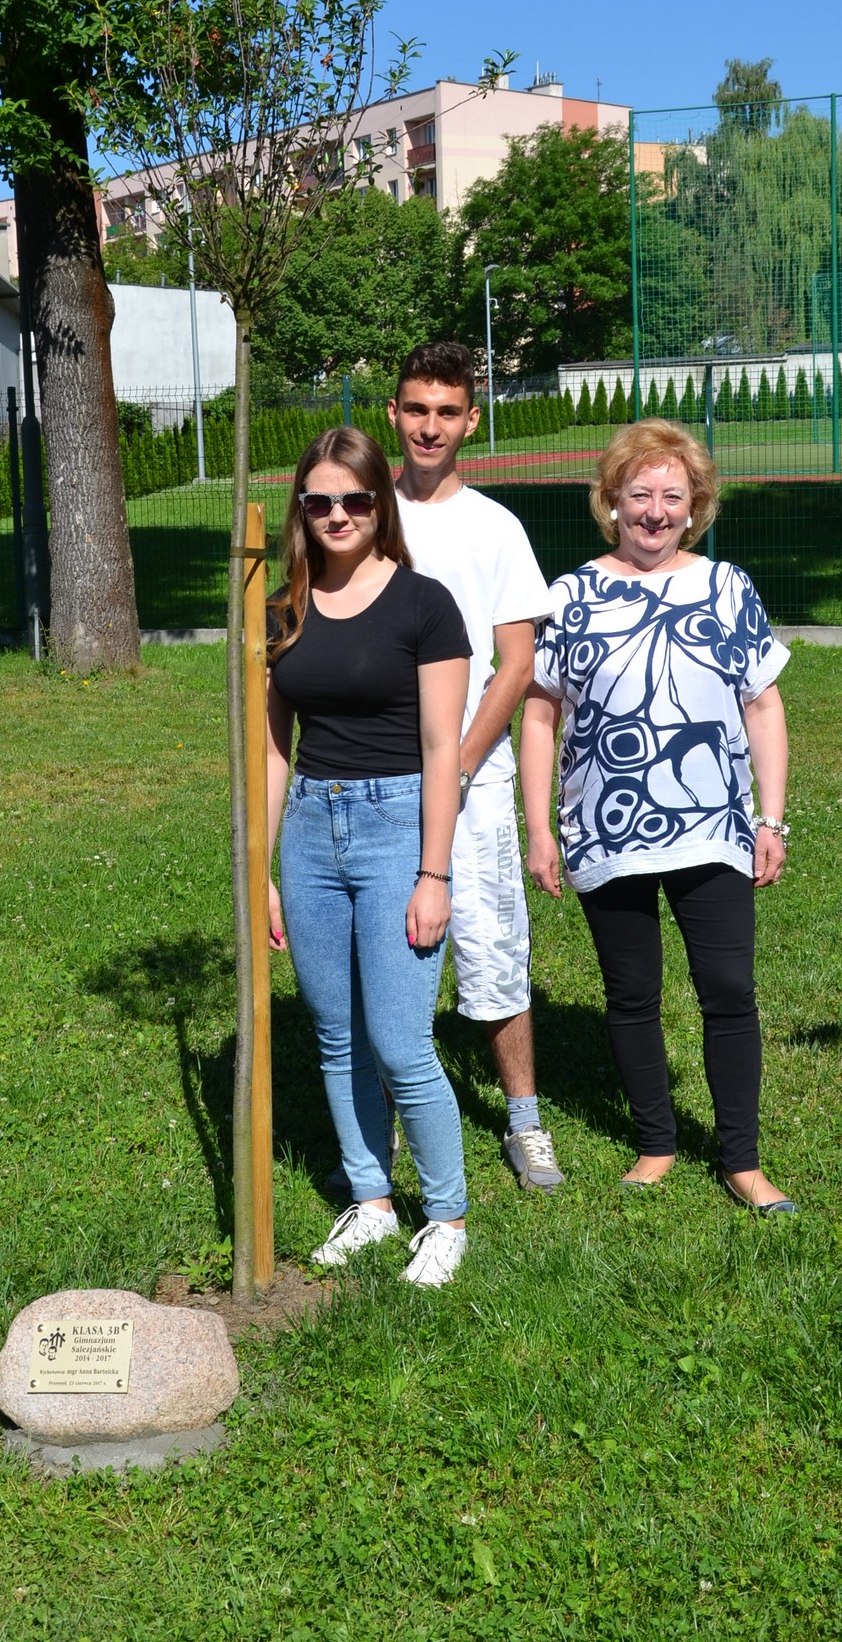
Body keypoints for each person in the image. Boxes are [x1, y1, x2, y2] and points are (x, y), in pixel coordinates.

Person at [520, 419, 795, 1214]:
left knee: (727, 989)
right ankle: (655, 1143)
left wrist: (770, 820)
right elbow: (538, 715)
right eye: (639, 494)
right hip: (605, 826)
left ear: (695, 506)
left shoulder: (725, 587)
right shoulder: (568, 596)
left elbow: (762, 705)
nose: (654, 510)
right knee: (631, 992)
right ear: (611, 501)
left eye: (672, 496)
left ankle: (741, 1161)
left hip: (713, 825)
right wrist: (539, 829)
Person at [266, 426, 474, 1286]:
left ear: (379, 503)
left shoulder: (424, 605)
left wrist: (433, 874)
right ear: (301, 509)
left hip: (397, 827)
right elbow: (271, 748)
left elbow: (442, 748)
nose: (337, 514)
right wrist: (261, 871)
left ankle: (446, 1216)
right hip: (309, 828)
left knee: (398, 1041)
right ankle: (372, 1200)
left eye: (354, 498)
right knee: (336, 1036)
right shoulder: (281, 609)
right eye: (319, 500)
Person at [388, 341, 565, 1193]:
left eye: (447, 412)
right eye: (417, 410)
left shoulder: (496, 528)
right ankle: (387, 1118)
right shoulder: (360, 514)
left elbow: (517, 663)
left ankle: (523, 1121)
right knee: (386, 951)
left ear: (470, 421)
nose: (430, 427)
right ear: (394, 414)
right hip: (377, 775)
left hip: (474, 779)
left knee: (494, 945)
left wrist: (455, 767)